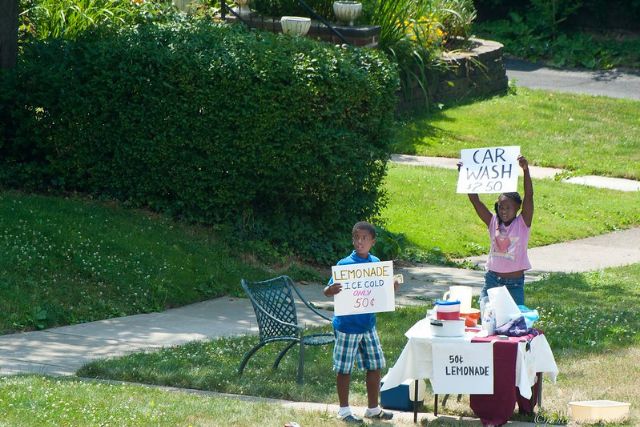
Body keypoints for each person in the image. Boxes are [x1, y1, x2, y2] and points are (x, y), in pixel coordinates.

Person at [323, 221, 400, 423]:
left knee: (375, 365)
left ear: (372, 241)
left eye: (364, 238)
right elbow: (326, 290)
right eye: (356, 238)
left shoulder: (376, 264)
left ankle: (373, 409)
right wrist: (330, 290)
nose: (359, 242)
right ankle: (344, 410)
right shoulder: (344, 265)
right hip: (347, 326)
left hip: (368, 325)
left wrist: (392, 287)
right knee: (344, 368)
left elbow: (382, 293)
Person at [463, 155, 533, 305]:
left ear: (517, 208)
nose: (504, 211)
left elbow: (529, 196)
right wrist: (466, 174)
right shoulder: (492, 221)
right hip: (492, 281)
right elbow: (475, 201)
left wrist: (525, 170)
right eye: (501, 207)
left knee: (514, 322)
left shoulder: (522, 223)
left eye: (508, 208)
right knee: (486, 316)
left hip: (514, 284)